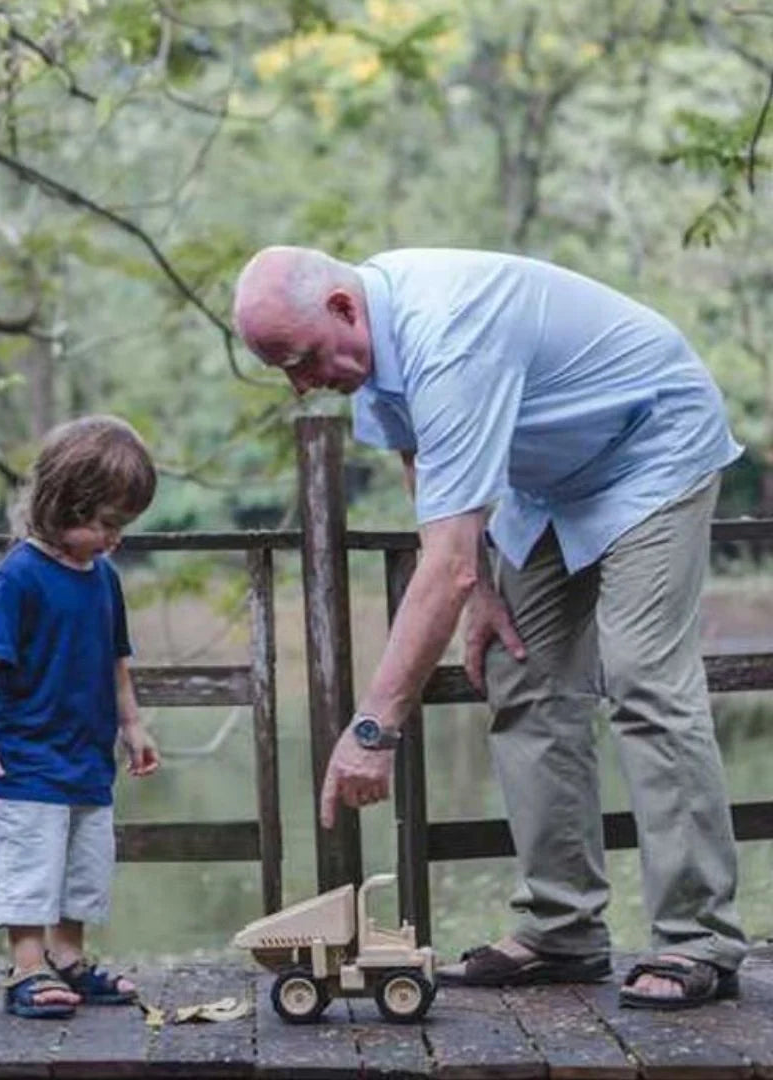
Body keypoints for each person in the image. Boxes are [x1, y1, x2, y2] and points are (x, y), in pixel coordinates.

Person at [232, 245, 748, 1009]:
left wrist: (373, 728)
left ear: (343, 308)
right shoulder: (373, 349)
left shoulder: (447, 331)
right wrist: (480, 596)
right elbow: (420, 459)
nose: (303, 384)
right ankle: (561, 928)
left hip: (651, 447)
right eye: (284, 370)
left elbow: (444, 563)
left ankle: (698, 938)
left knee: (641, 674)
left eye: (302, 360)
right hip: (554, 482)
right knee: (519, 667)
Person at [0, 415, 161, 1019]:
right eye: (106, 524)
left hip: (86, 758)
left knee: (84, 865)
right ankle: (28, 965)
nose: (115, 539)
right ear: (64, 504)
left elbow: (118, 661)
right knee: (28, 863)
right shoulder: (20, 574)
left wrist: (133, 726)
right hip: (27, 758)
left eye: (123, 526)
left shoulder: (105, 578)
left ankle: (69, 958)